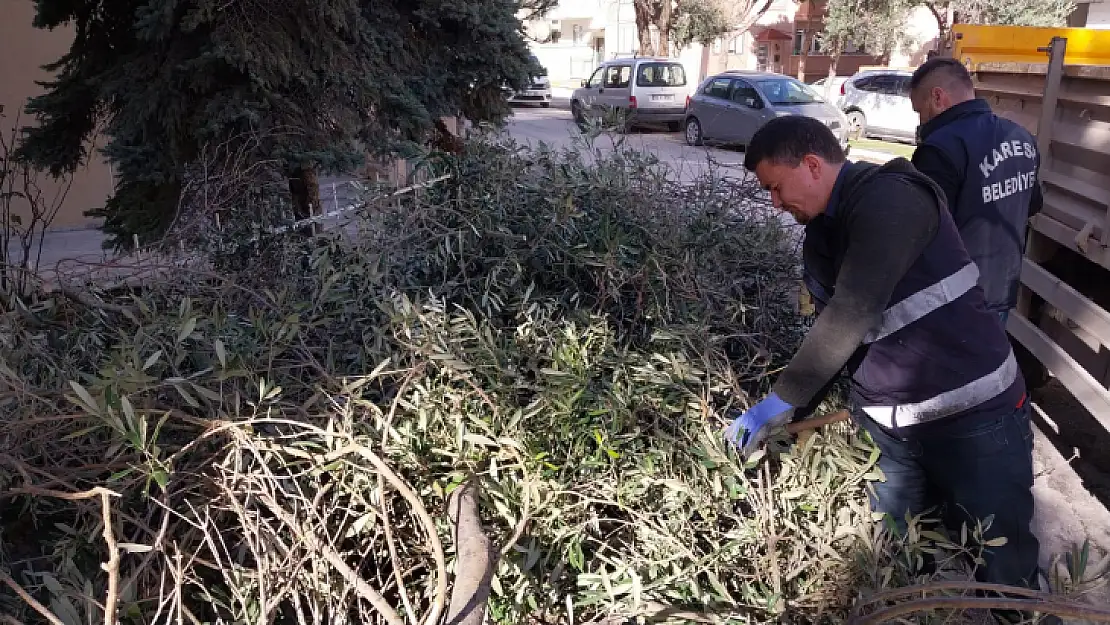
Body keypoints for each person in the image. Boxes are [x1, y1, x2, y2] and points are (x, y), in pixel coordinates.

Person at [726, 116, 1042, 599]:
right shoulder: (824, 232)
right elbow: (834, 336)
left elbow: (852, 312)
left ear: (812, 165)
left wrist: (779, 402)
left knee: (1004, 570)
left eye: (776, 186)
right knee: (891, 561)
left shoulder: (892, 199)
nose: (774, 202)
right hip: (891, 433)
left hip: (976, 422)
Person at [909, 57, 1043, 328]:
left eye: (919, 111)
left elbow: (920, 230)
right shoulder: (1021, 137)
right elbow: (1032, 204)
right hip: (1001, 291)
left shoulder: (940, 148)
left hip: (951, 300)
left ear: (938, 97)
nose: (921, 121)